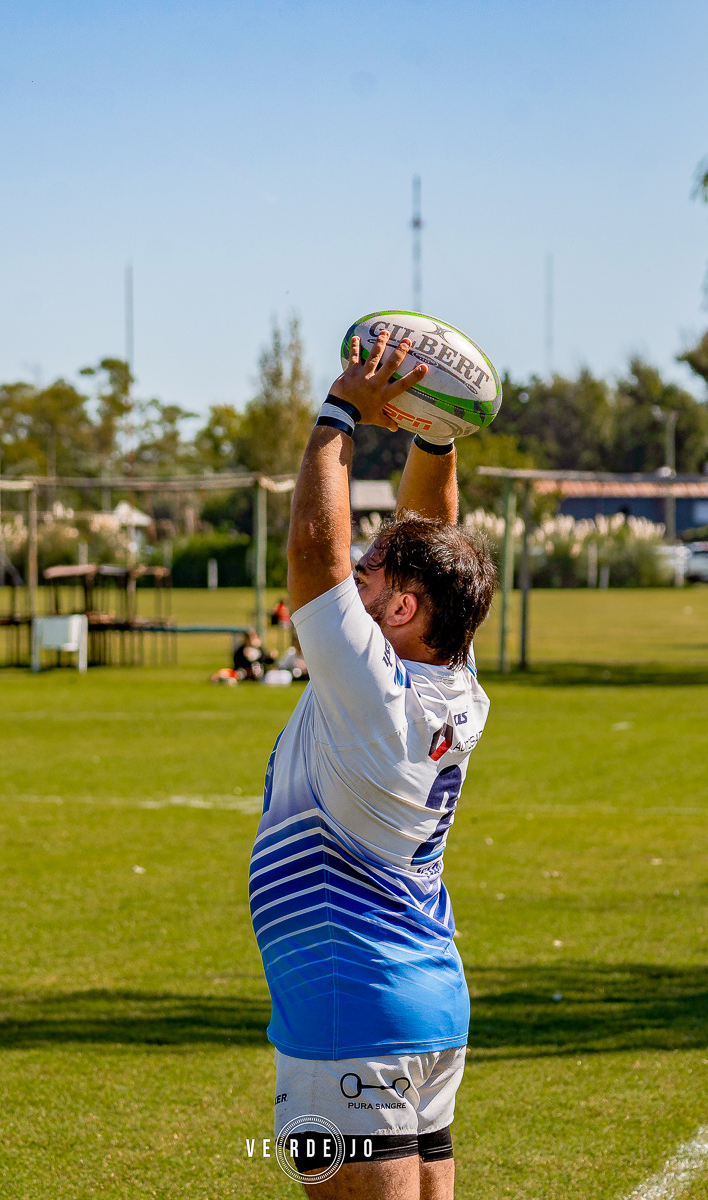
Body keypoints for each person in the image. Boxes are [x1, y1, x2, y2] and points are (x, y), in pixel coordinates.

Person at [250, 331, 497, 1199]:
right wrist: (435, 435)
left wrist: (341, 412)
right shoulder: (453, 678)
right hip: (427, 1006)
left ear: (400, 607)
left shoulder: (372, 689)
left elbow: (312, 552)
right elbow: (434, 541)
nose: (353, 575)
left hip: (349, 1007)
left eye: (371, 572)